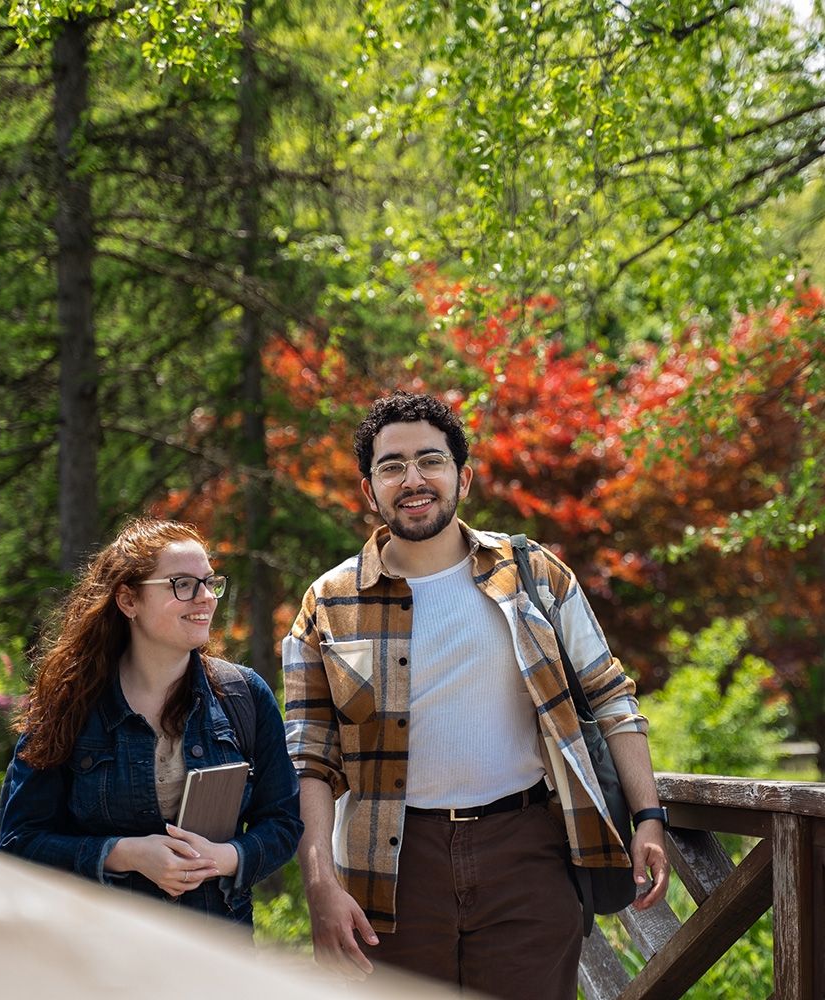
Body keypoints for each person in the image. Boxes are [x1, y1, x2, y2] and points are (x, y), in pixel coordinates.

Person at [283, 391, 670, 998]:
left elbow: (612, 697)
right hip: (390, 870)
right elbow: (309, 759)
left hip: (526, 852)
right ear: (370, 491)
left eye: (429, 461)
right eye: (391, 467)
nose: (412, 480)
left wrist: (649, 818)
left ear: (461, 476)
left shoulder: (533, 572)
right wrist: (320, 885)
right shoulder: (328, 602)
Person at [0, 516, 302, 927]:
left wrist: (226, 857)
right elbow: (17, 842)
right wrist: (123, 853)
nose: (206, 598)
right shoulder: (69, 704)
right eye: (182, 584)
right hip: (104, 954)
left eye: (210, 582)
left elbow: (282, 822)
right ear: (128, 601)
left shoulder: (244, 697)